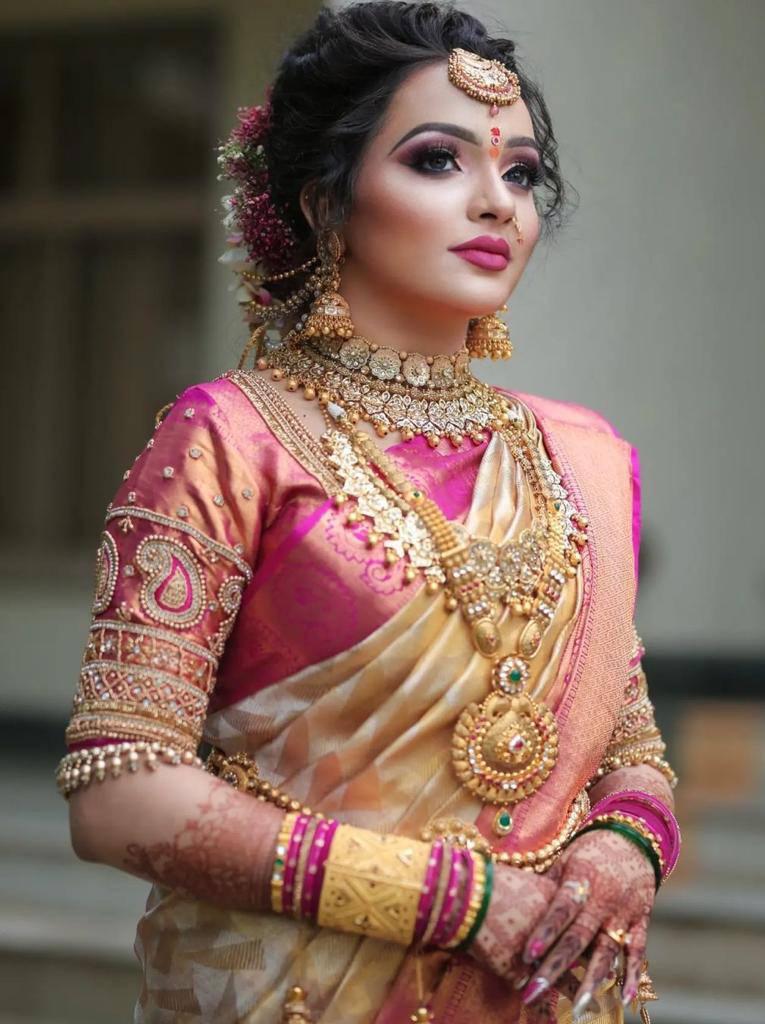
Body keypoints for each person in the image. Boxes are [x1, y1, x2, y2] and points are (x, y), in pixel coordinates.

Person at [58, 4, 680, 1022]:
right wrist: (451, 898)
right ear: (324, 201)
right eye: (438, 161)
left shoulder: (579, 459)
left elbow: (631, 753)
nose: (497, 203)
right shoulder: (229, 441)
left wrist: (626, 844)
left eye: (522, 173)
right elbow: (118, 790)